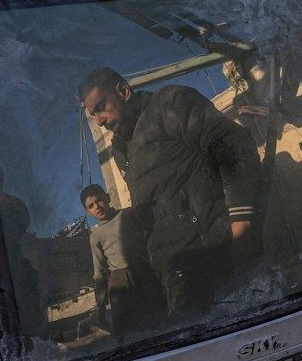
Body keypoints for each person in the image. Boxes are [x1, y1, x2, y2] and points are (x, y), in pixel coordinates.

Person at [78, 67, 260, 320]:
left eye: (100, 107)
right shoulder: (121, 149)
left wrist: (241, 225)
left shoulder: (169, 104)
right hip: (178, 277)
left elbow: (233, 145)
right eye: (92, 114)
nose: (98, 120)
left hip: (218, 256)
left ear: (123, 91)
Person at [81, 183, 165, 337]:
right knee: (126, 329)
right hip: (118, 282)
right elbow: (99, 271)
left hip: (144, 273)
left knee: (157, 319)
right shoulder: (95, 236)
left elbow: (151, 237)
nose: (97, 207)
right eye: (91, 206)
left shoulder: (129, 215)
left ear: (108, 198)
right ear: (88, 211)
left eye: (99, 200)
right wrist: (100, 304)